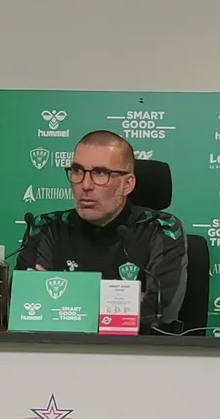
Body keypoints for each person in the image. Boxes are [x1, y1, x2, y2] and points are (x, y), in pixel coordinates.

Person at [16, 129, 188, 333]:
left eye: (100, 173)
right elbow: (26, 308)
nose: (85, 185)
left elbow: (158, 315)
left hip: (136, 357)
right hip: (59, 354)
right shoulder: (48, 227)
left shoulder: (162, 229)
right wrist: (121, 308)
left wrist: (63, 305)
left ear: (127, 184)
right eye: (77, 171)